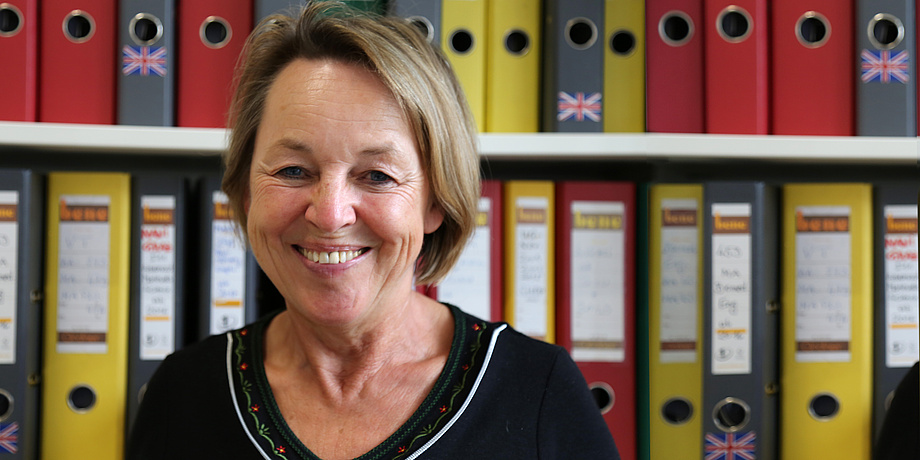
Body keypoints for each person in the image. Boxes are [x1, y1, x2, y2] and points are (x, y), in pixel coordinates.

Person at [127, 2, 620, 459]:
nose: (330, 214)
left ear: (435, 202)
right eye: (293, 170)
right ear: (245, 191)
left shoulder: (539, 395)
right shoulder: (183, 394)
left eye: (377, 176)